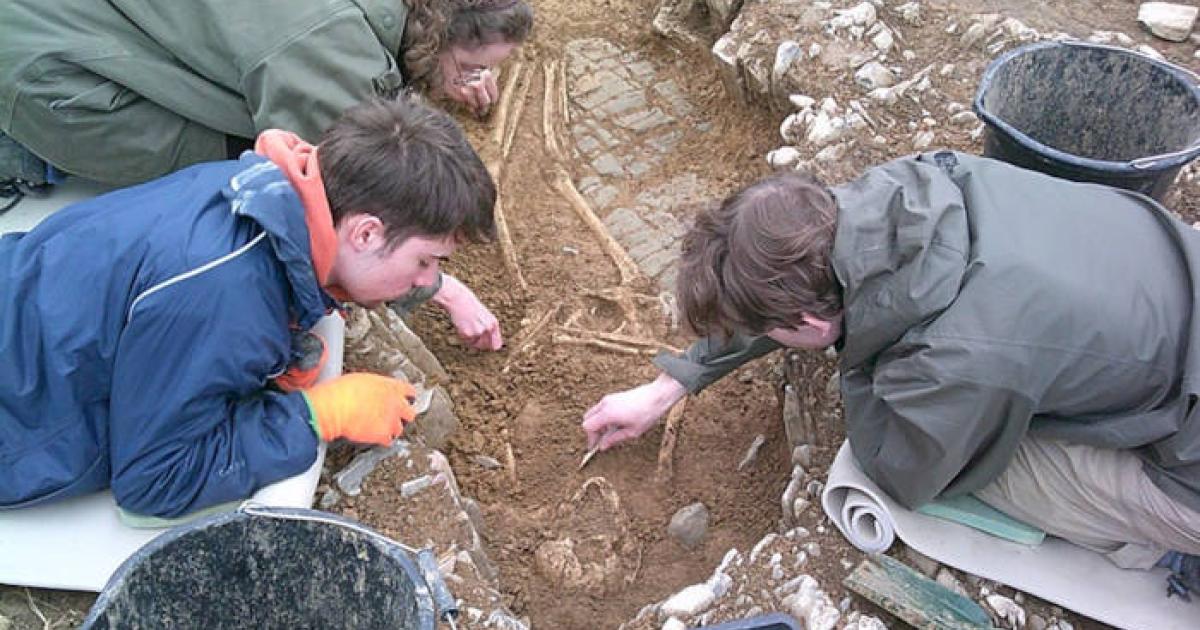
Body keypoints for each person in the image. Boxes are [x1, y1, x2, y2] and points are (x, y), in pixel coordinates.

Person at [582, 151, 1200, 598]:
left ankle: (1158, 544)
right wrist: (672, 384)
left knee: (988, 469)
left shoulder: (953, 357)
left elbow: (906, 471)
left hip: (1188, 468)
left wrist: (861, 365)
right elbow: (780, 293)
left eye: (780, 332)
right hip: (1170, 281)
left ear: (811, 323)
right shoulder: (905, 190)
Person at [0, 96, 499, 520]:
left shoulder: (258, 192)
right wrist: (315, 415)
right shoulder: (223, 293)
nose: (428, 281)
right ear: (365, 232)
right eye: (426, 261)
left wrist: (276, 345)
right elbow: (154, 481)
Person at [0, 0, 532, 188]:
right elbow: (340, 183)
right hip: (52, 65)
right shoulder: (328, 44)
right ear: (439, 31)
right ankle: (24, 158)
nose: (472, 80)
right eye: (469, 66)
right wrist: (433, 287)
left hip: (99, 18)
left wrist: (439, 73)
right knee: (243, 161)